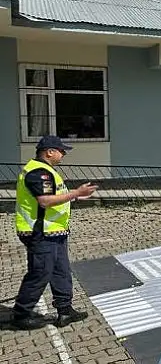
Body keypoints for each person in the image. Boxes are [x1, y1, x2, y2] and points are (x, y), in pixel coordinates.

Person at [13, 136, 98, 330]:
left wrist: (75, 198)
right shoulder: (38, 172)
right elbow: (44, 201)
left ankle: (65, 310)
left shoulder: (47, 171)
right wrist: (76, 193)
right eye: (61, 150)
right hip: (40, 233)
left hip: (54, 232)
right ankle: (21, 315)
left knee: (61, 271)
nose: (64, 154)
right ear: (49, 152)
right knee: (40, 273)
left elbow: (55, 197)